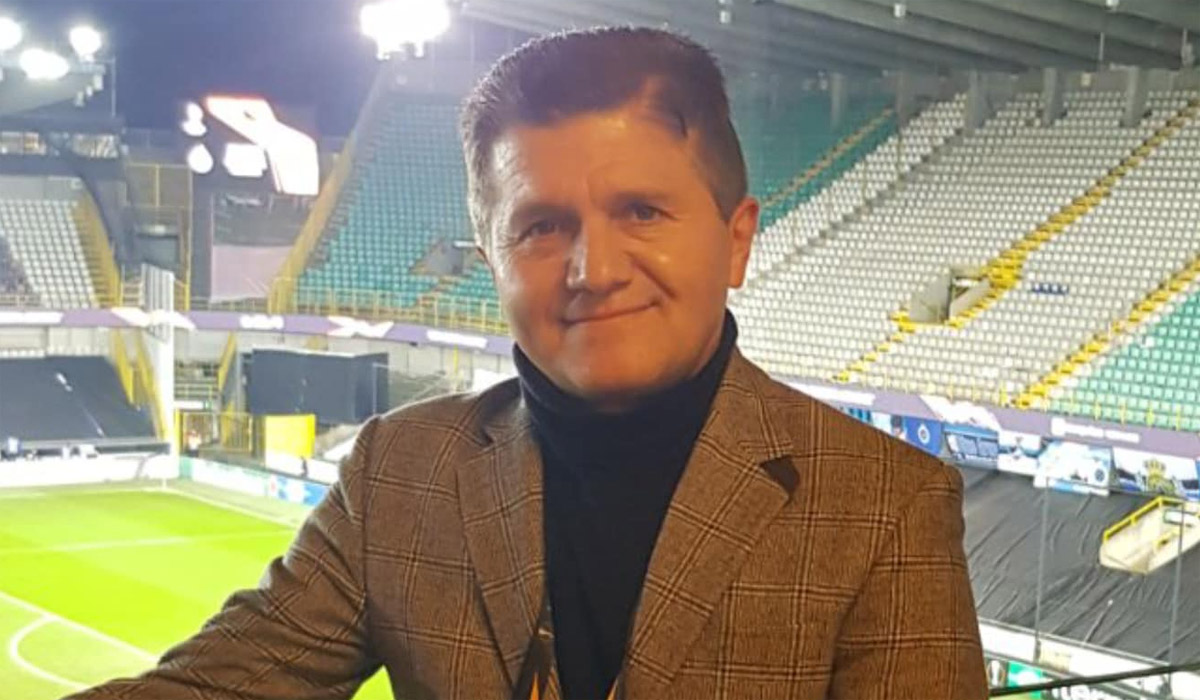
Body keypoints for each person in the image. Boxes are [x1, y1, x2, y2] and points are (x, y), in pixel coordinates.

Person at [67, 27, 985, 700]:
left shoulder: (885, 506)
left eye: (643, 212)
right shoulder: (399, 473)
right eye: (542, 226)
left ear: (736, 240)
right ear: (491, 258)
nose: (594, 270)